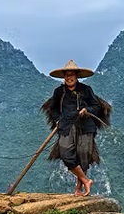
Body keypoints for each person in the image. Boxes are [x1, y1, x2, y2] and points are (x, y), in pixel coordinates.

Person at [42, 60, 112, 197]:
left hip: (85, 126)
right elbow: (53, 109)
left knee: (84, 155)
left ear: (77, 76)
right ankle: (86, 180)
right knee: (65, 153)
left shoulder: (86, 90)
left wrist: (87, 110)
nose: (69, 78)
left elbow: (96, 107)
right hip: (66, 126)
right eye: (67, 75)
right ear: (64, 77)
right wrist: (57, 120)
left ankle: (79, 188)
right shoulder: (59, 92)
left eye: (72, 75)